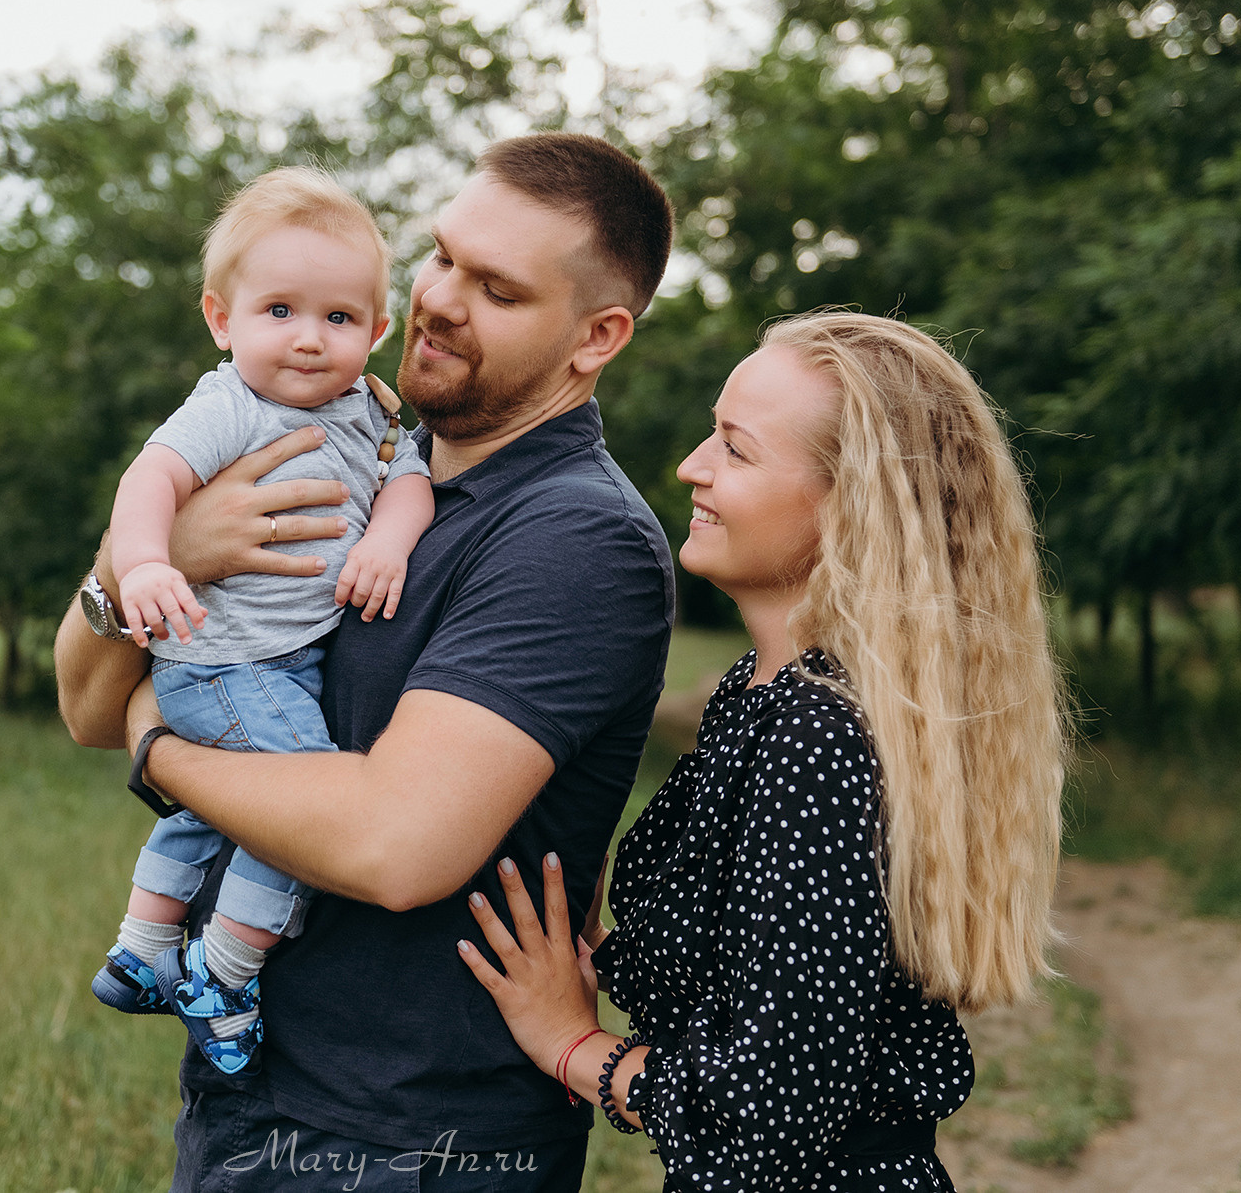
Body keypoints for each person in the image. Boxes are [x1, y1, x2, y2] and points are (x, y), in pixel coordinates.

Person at [55, 132, 677, 1190]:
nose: (436, 299)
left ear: (594, 336)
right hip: (254, 1094)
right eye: (439, 256)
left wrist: (159, 750)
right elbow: (80, 699)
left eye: (496, 288)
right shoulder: (351, 445)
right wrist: (159, 560)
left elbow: (397, 844)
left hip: (411, 1135)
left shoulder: (574, 539)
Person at [456, 310, 1068, 1191]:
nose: (691, 467)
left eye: (735, 451)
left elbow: (763, 1117)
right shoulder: (764, 694)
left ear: (849, 505)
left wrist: (573, 1044)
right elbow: (765, 983)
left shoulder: (815, 735)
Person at [91, 167, 436, 1078]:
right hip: (227, 661)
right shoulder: (230, 406)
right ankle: (225, 967)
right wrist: (150, 561)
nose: (310, 340)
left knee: (216, 813)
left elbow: (408, 483)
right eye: (278, 310)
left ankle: (143, 945)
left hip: (276, 664)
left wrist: (390, 543)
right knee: (311, 810)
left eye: (338, 318)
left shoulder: (369, 410)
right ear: (221, 318)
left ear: (378, 329)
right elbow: (148, 482)